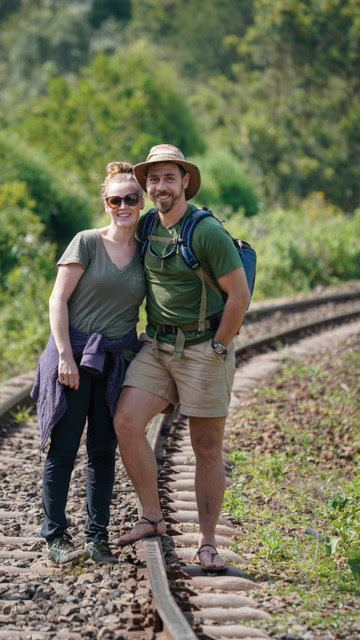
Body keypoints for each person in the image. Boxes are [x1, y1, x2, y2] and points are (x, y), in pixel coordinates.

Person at [113, 144, 251, 572]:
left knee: (205, 449)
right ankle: (153, 517)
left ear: (185, 181)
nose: (160, 186)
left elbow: (239, 294)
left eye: (169, 177)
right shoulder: (149, 222)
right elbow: (115, 237)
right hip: (157, 346)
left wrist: (219, 345)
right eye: (153, 179)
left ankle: (208, 544)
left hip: (202, 348)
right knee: (126, 422)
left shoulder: (205, 231)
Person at [31, 162, 145, 565]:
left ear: (141, 201)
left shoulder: (145, 250)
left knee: (101, 451)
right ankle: (56, 539)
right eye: (116, 199)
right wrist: (64, 355)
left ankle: (97, 539)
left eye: (131, 198)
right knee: (63, 450)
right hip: (74, 356)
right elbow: (57, 300)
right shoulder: (87, 242)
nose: (124, 206)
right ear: (106, 203)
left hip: (114, 362)